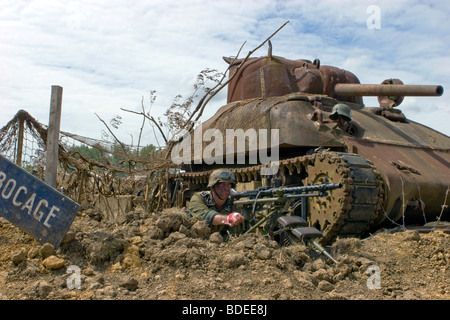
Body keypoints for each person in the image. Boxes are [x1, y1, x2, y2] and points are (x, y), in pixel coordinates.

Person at [188, 169, 245, 238]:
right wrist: (228, 218)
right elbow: (204, 216)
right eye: (222, 185)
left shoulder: (233, 205)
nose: (226, 188)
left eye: (229, 185)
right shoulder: (198, 198)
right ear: (212, 187)